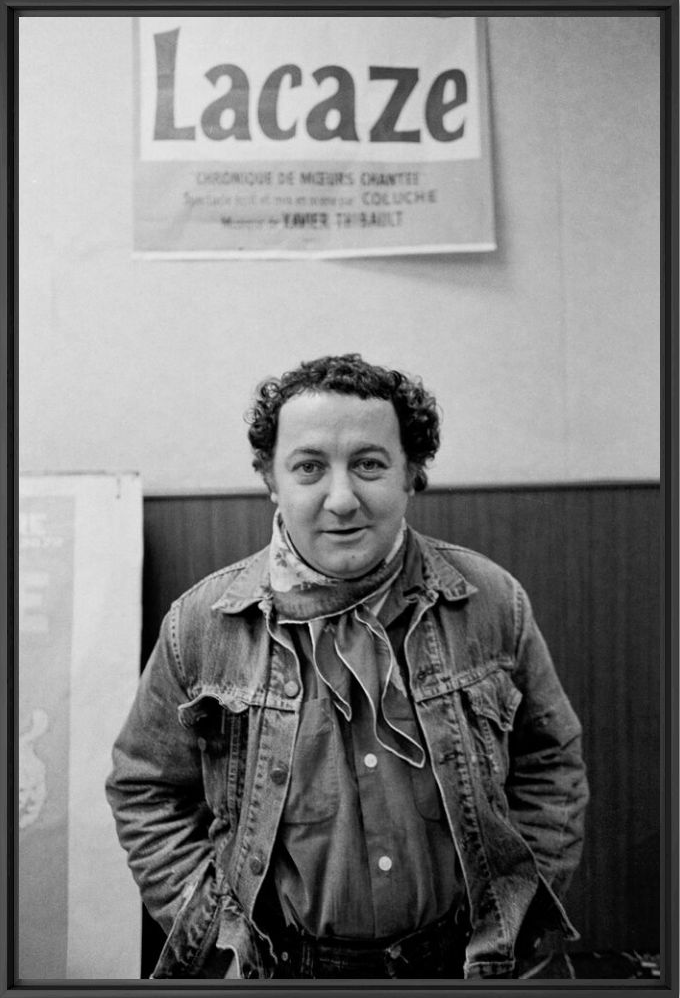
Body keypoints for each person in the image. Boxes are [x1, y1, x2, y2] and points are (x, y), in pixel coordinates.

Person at [106, 353, 588, 981]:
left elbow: (551, 763)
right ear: (270, 478)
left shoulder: (493, 602)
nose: (341, 499)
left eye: (369, 464)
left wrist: (518, 915)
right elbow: (146, 792)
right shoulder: (200, 626)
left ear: (411, 473)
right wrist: (214, 933)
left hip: (469, 965)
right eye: (309, 467)